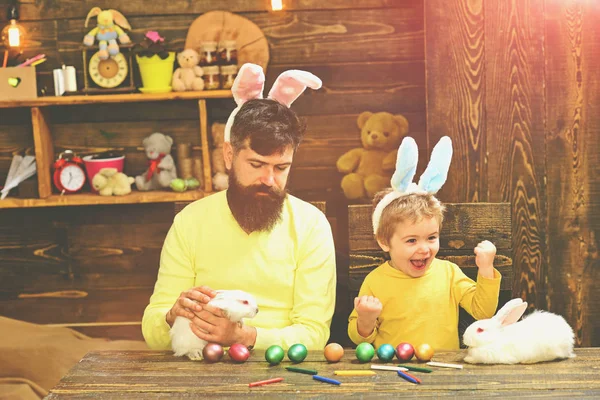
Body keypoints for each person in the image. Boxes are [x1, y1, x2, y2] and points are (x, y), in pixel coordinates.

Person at [142, 64, 335, 351]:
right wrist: (172, 317)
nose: (269, 180)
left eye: (281, 168)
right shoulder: (190, 222)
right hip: (202, 371)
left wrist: (245, 337)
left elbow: (314, 335)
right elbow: (153, 333)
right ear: (229, 155)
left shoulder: (311, 225)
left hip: (285, 373)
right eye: (256, 165)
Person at [347, 136, 501, 350]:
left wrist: (486, 269)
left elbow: (482, 312)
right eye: (411, 240)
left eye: (431, 237)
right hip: (393, 372)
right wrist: (366, 320)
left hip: (443, 373)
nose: (424, 248)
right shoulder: (375, 281)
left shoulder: (449, 273)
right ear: (384, 242)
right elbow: (360, 339)